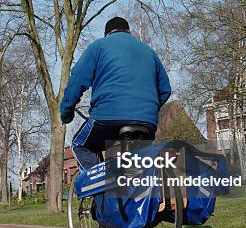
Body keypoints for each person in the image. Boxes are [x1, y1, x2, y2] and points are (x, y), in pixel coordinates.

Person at [60, 16, 171, 170]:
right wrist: (146, 109)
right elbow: (165, 89)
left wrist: (67, 110)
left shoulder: (99, 46)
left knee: (81, 145)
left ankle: (99, 189)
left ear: (107, 33)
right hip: (146, 122)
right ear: (128, 31)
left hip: (107, 118)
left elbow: (77, 80)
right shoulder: (149, 51)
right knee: (141, 167)